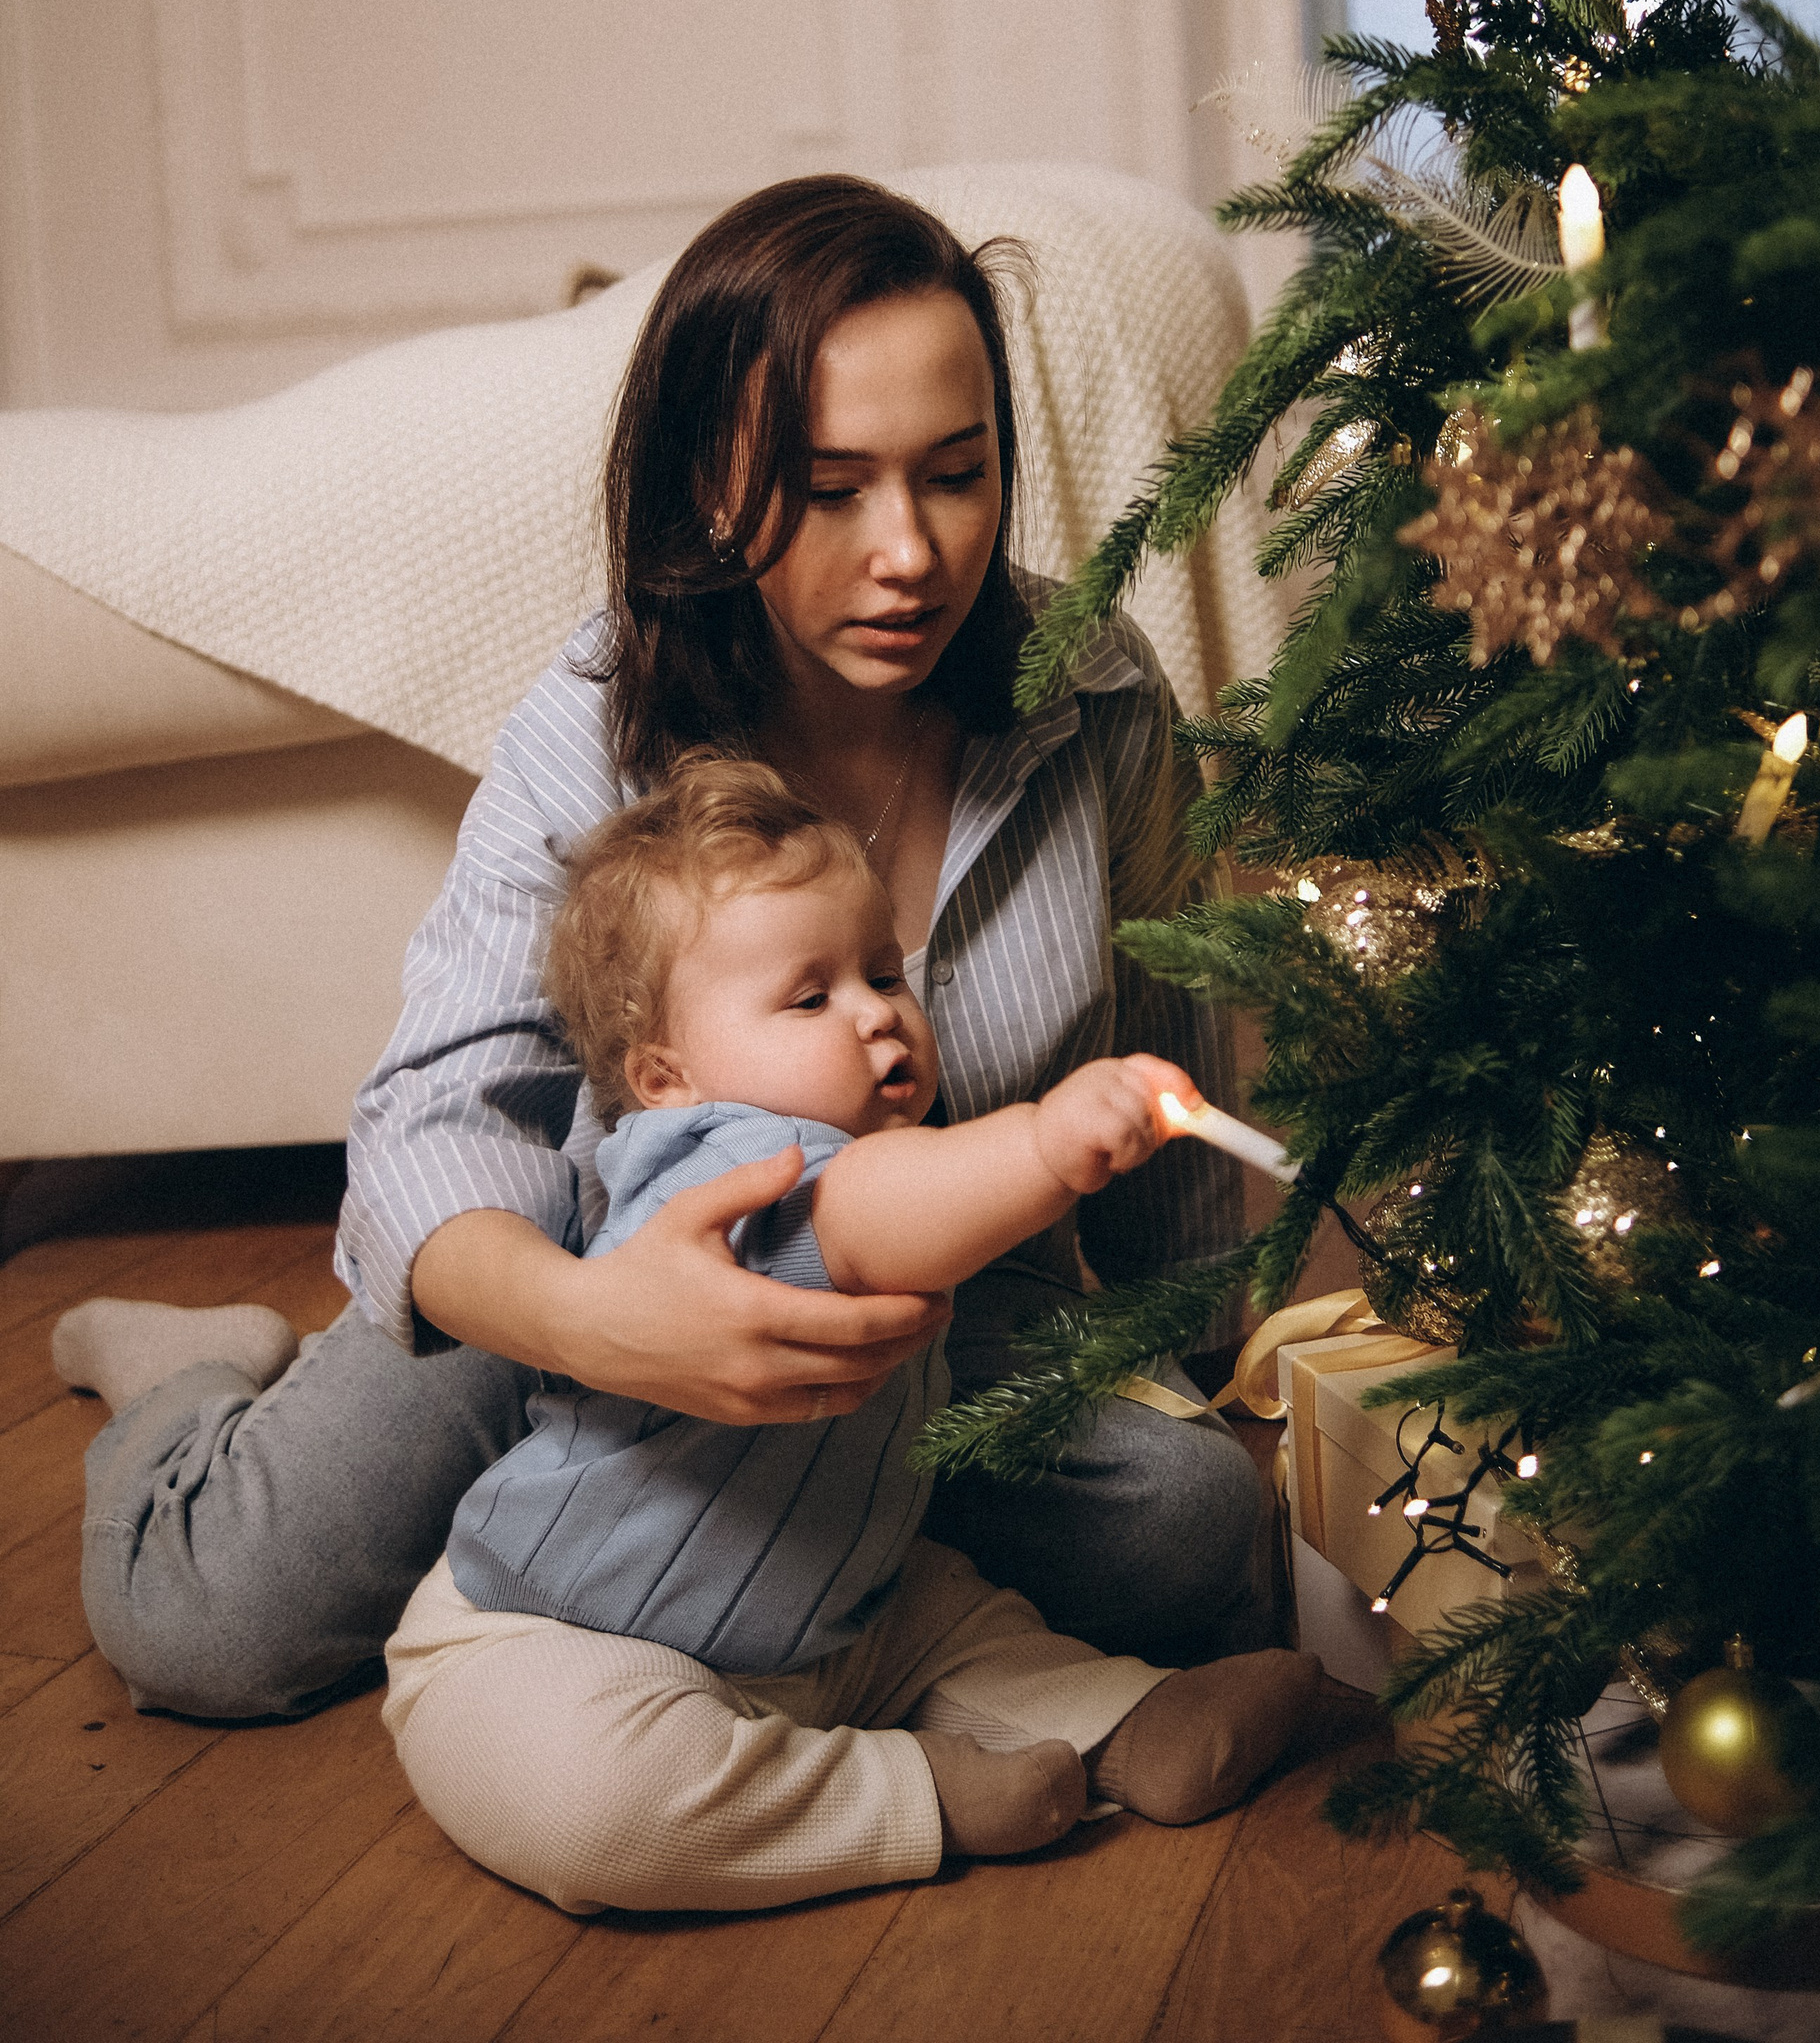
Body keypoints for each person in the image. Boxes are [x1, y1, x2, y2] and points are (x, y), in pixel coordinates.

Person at [58, 175, 1265, 1722]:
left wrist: (1205, 1360)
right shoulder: (596, 721)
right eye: (829, 491)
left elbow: (1171, 1042)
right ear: (709, 484)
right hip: (589, 1293)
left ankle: (832, 1548)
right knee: (209, 1628)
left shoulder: (1092, 692)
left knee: (1191, 1534)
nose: (909, 549)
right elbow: (439, 1109)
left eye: (955, 475)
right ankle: (190, 1373)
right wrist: (604, 1323)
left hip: (940, 1323)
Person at [385, 755, 1318, 1911]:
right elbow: (872, 1214)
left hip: (837, 1599)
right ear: (666, 1074)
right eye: (809, 997)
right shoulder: (720, 1162)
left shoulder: (867, 1146)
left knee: (961, 1623)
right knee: (598, 1802)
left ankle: (1134, 1721)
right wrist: (1042, 1143)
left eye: (883, 973)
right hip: (561, 1637)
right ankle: (911, 1790)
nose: (878, 1011)